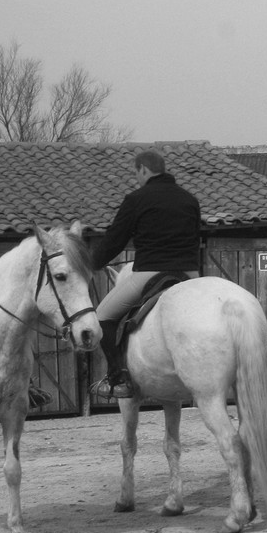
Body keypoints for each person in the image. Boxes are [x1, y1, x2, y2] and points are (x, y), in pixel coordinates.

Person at [91, 150, 202, 398]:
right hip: (190, 273)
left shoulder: (136, 199)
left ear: (142, 169)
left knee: (102, 317)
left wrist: (92, 264)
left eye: (137, 173)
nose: (137, 178)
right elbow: (196, 237)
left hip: (149, 272)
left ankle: (118, 377)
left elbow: (114, 241)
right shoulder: (189, 200)